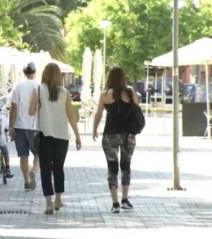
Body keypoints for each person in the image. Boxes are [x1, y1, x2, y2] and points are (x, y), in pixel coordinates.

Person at [28, 63, 81, 215]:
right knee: (58, 168)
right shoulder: (65, 92)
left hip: (44, 136)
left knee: (45, 169)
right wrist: (77, 136)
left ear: (44, 74)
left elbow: (31, 112)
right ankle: (58, 198)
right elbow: (71, 115)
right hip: (62, 137)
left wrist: (37, 105)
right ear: (59, 76)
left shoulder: (37, 90)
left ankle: (49, 203)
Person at [92, 66, 138, 213]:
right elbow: (137, 110)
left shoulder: (104, 94)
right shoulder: (130, 93)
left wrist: (94, 129)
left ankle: (115, 204)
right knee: (126, 166)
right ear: (123, 77)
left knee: (112, 168)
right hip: (127, 135)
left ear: (110, 78)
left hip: (110, 134)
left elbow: (99, 113)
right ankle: (125, 199)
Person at [9, 62, 40, 192]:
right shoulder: (40, 87)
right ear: (35, 71)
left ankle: (27, 182)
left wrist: (11, 126)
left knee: (23, 155)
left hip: (20, 126)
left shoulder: (17, 87)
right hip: (36, 126)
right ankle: (34, 170)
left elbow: (13, 108)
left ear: (24, 71)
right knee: (39, 155)